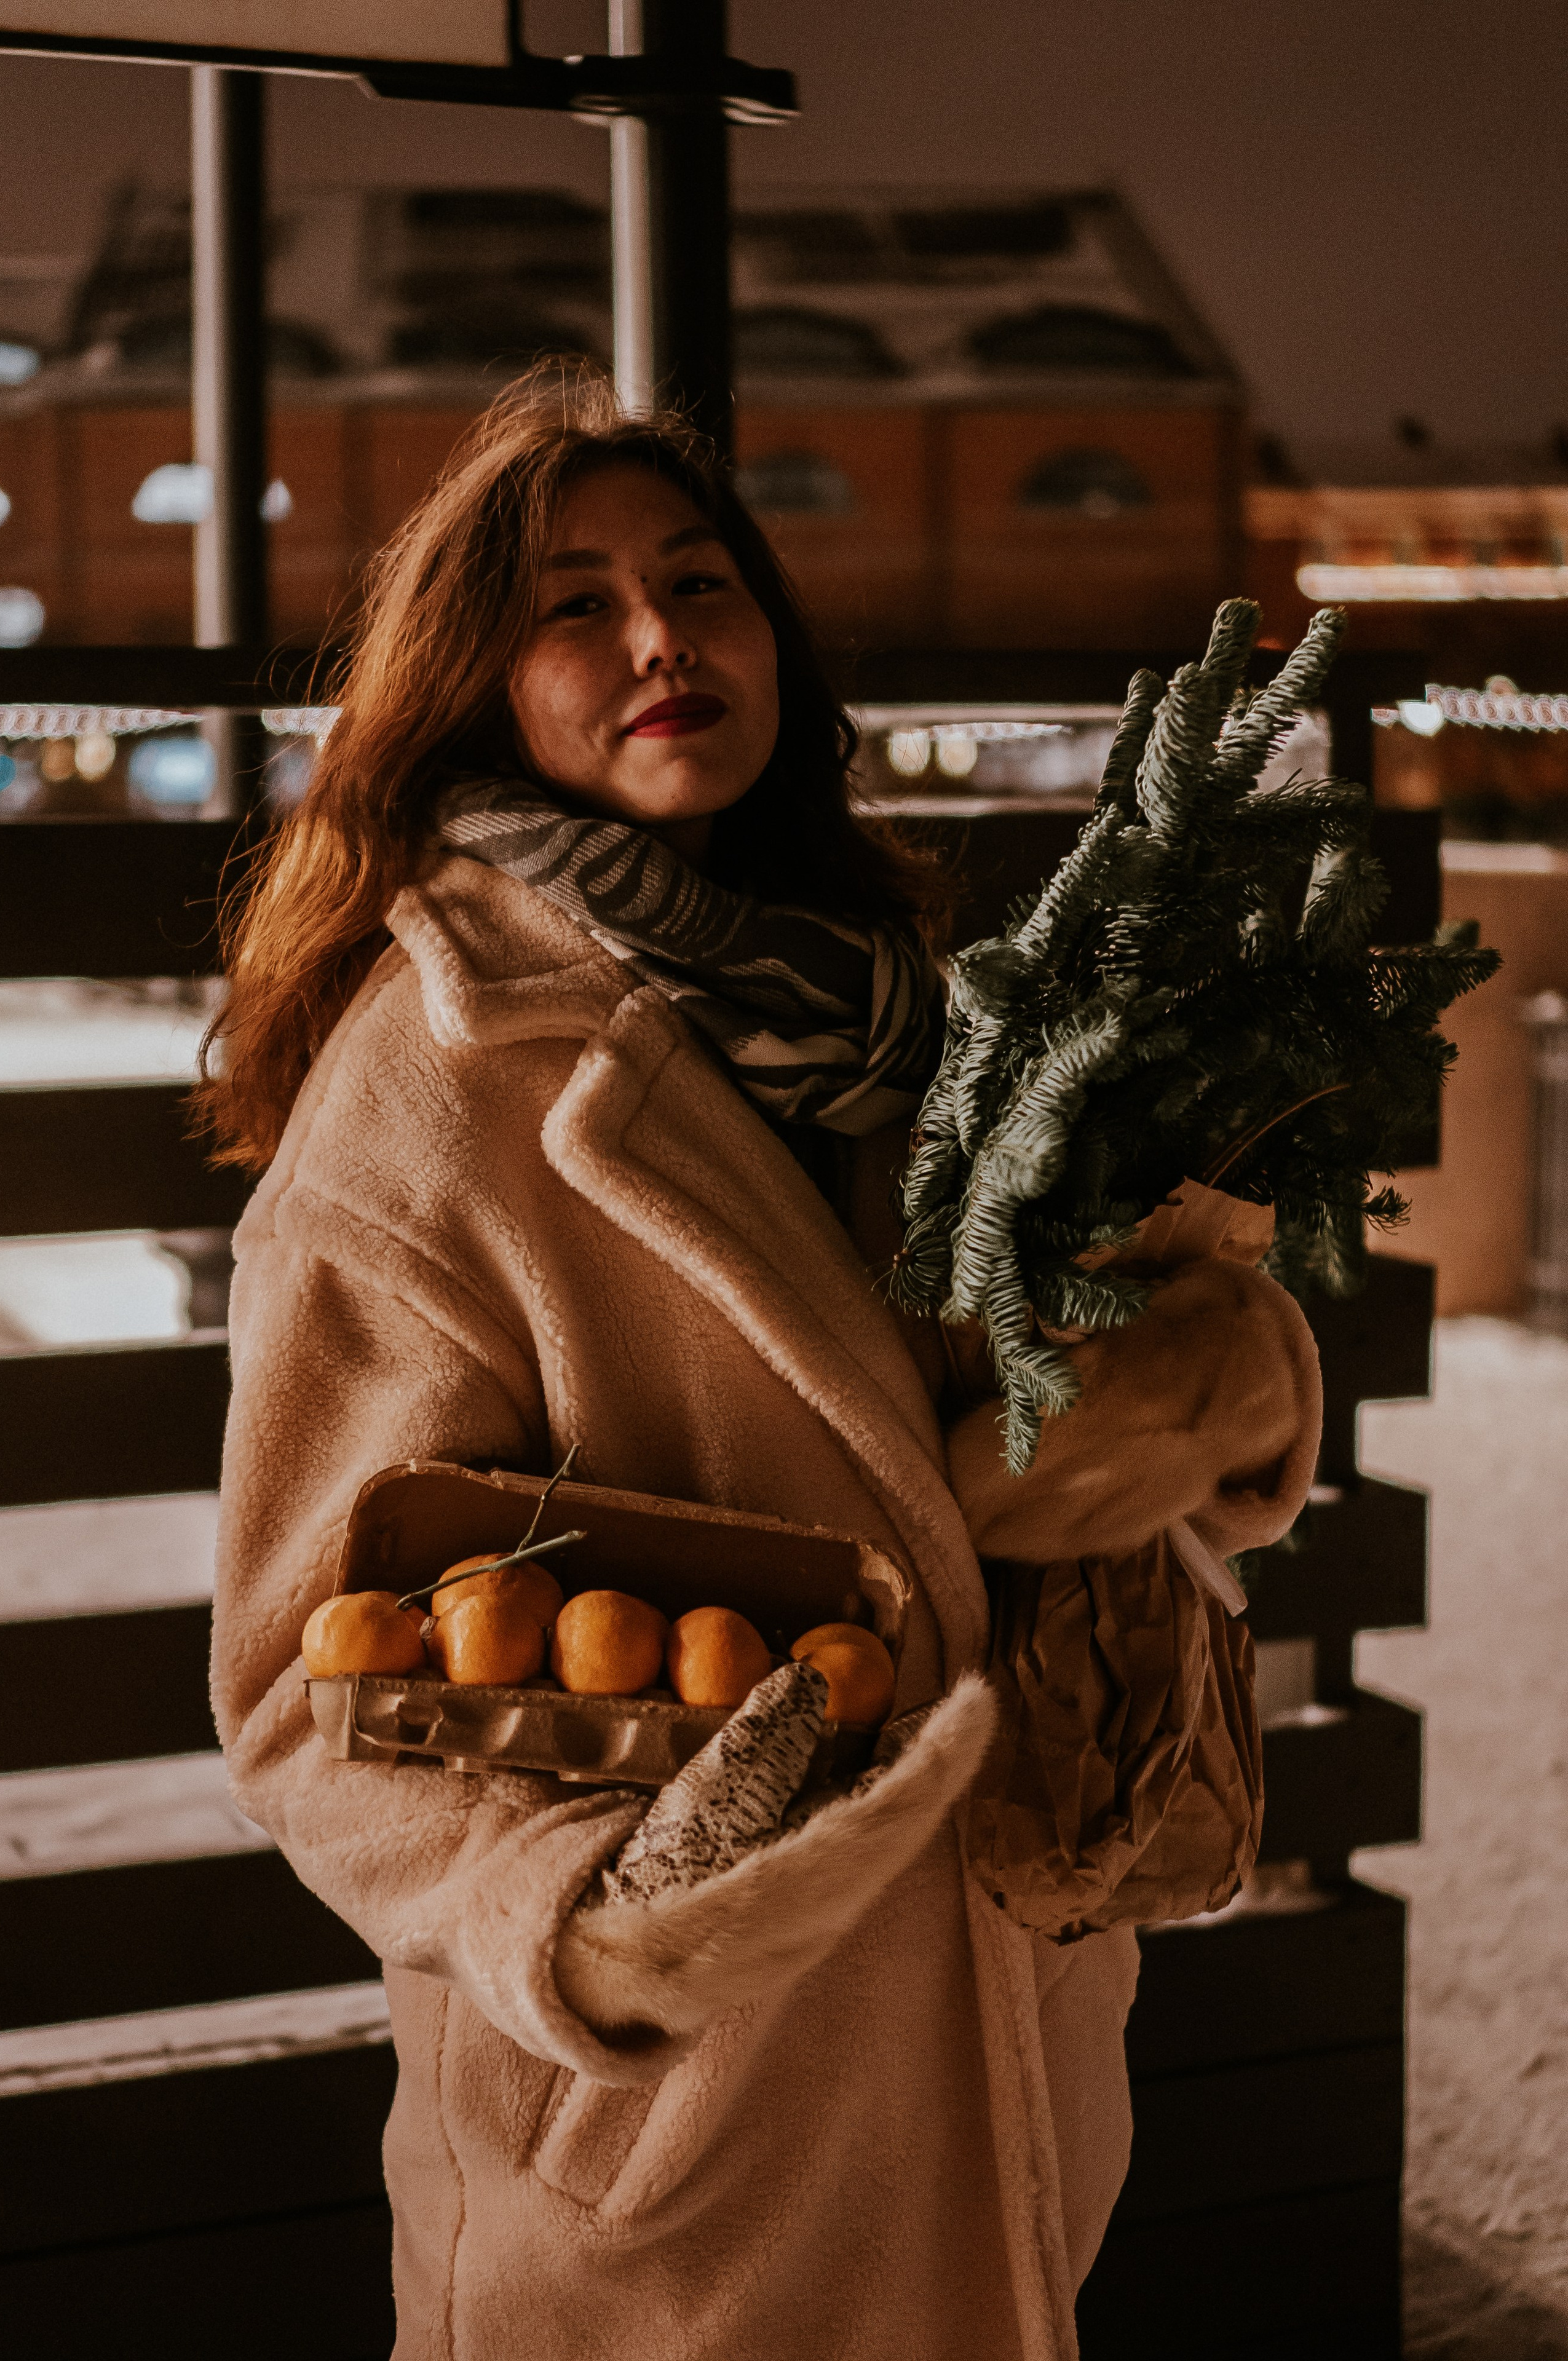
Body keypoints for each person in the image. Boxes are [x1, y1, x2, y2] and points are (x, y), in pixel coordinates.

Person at [205, 367, 1321, 2361]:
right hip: (667, 2136)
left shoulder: (924, 1008)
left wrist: (1215, 1377)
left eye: (700, 583)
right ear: (477, 684)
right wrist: (596, 1929)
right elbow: (303, 1687)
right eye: (573, 604)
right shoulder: (424, 1101)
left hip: (992, 2029)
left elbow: (1040, 1403)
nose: (658, 638)